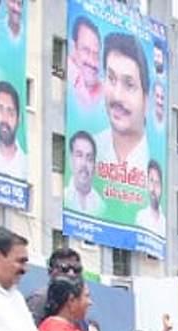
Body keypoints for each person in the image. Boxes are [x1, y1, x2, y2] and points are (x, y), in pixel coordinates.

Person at [94, 32, 149, 174]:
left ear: (146, 101)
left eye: (129, 85)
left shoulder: (154, 166)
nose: (117, 96)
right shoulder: (92, 149)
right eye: (111, 79)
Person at [27, 248, 82, 325]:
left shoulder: (78, 301)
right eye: (65, 269)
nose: (71, 274)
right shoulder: (40, 298)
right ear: (50, 271)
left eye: (76, 269)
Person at [63, 131, 104, 218]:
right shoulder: (64, 197)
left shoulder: (100, 206)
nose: (84, 164)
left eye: (89, 158)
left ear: (94, 166)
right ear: (71, 160)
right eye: (79, 156)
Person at [67, 16, 102, 108]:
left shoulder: (102, 90)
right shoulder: (66, 75)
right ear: (74, 48)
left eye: (96, 54)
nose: (92, 61)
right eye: (86, 51)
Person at [134, 160, 167, 233]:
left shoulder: (165, 223)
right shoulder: (141, 216)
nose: (153, 188)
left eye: (157, 183)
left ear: (162, 187)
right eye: (151, 181)